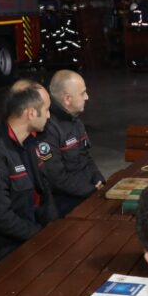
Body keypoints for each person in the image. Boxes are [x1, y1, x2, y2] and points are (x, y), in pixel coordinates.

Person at [0, 82, 58, 267]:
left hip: (28, 236)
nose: (49, 115)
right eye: (46, 109)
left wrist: (54, 228)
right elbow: (0, 218)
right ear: (31, 113)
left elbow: (43, 190)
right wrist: (40, 235)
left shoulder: (29, 144)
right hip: (0, 251)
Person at [43, 70, 106, 216]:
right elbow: (56, 178)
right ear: (67, 99)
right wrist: (90, 190)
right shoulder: (49, 128)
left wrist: (99, 179)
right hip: (67, 203)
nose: (87, 97)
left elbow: (85, 155)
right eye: (82, 93)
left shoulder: (74, 119)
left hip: (87, 193)